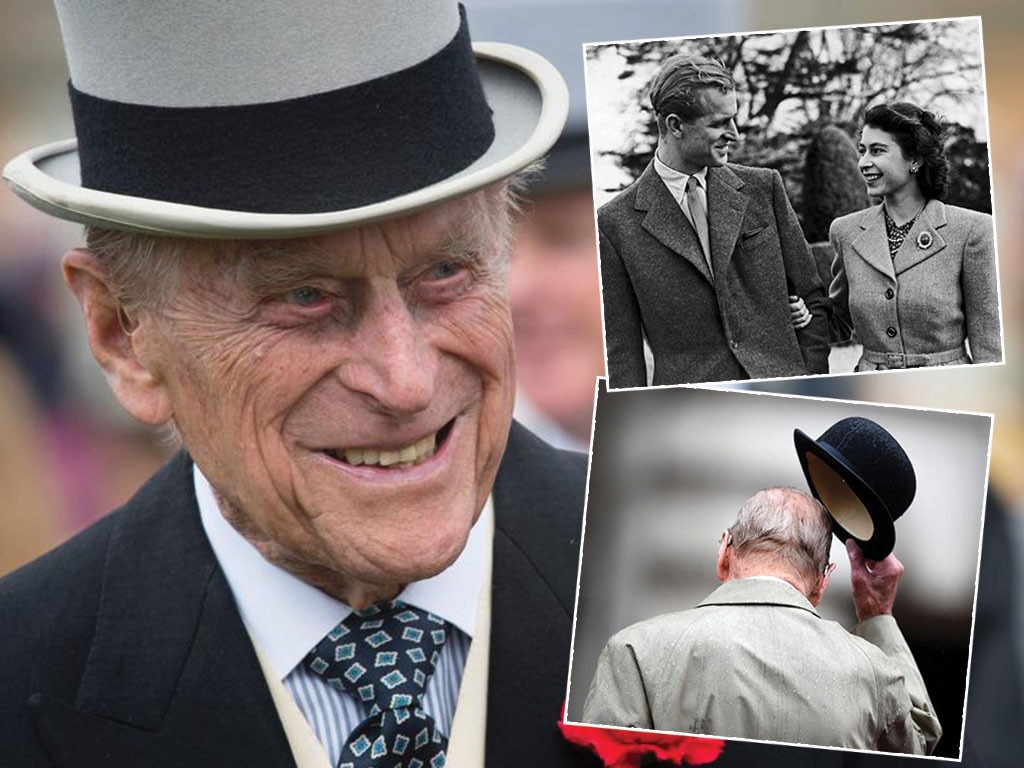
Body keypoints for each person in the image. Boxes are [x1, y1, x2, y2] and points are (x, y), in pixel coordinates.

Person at [0, 2, 589, 766]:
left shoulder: (737, 593)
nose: (404, 383)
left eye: (445, 273)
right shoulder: (22, 687)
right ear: (123, 335)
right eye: (306, 298)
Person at [581, 487, 942, 755]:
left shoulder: (635, 651)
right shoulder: (873, 672)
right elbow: (919, 745)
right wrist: (877, 614)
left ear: (724, 553)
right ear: (822, 581)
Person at [598, 53, 831, 387]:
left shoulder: (763, 188)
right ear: (675, 125)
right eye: (720, 123)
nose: (734, 134)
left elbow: (813, 297)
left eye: (733, 120)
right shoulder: (614, 224)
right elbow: (622, 355)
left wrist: (809, 380)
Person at [829, 101, 1002, 370]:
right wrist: (803, 315)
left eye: (877, 151)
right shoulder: (845, 232)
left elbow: (990, 346)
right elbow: (837, 321)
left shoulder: (972, 232)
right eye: (862, 150)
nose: (863, 162)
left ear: (915, 159)